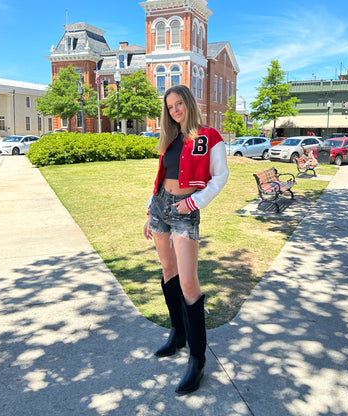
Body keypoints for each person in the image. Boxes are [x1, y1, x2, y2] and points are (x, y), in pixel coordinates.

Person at [143, 85, 229, 395]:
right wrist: (149, 211)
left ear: (189, 103)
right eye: (170, 106)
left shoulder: (209, 136)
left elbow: (220, 177)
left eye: (179, 104)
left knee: (189, 284)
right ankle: (178, 334)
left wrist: (193, 203)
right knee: (168, 272)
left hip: (185, 209)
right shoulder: (169, 139)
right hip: (160, 207)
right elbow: (160, 177)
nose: (175, 110)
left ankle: (198, 358)